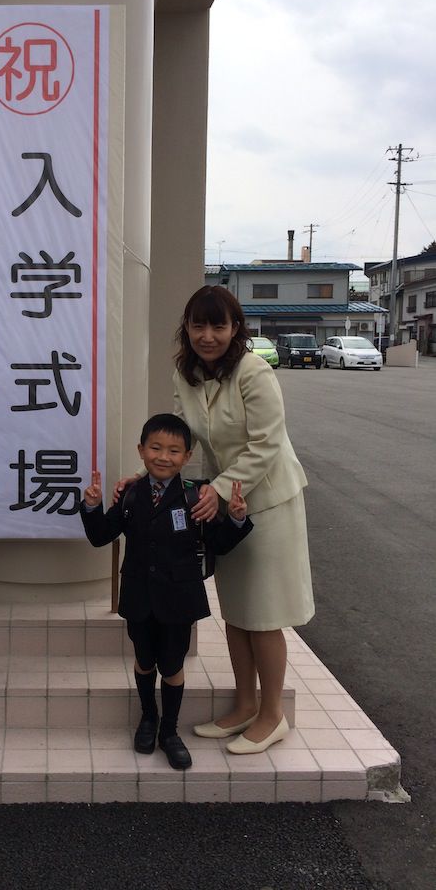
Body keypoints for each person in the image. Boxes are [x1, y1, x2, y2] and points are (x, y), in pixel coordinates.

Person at [151, 284, 314, 754]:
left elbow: (266, 443)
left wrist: (215, 490)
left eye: (218, 325)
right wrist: (156, 480)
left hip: (270, 503)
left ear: (235, 328)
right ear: (186, 327)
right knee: (238, 613)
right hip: (229, 507)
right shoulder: (185, 373)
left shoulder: (253, 370)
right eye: (198, 325)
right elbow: (186, 441)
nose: (207, 335)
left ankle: (272, 714)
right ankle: (244, 706)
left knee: (264, 615)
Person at [81, 413, 252, 770]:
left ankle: (170, 732)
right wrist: (93, 506)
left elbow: (217, 544)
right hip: (139, 596)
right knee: (144, 661)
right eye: (155, 447)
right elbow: (101, 536)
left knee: (172, 665)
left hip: (179, 600)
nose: (163, 456)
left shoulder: (196, 496)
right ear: (141, 450)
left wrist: (235, 518)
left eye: (174, 450)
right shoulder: (129, 494)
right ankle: (148, 719)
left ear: (187, 456)